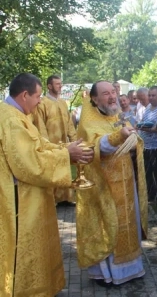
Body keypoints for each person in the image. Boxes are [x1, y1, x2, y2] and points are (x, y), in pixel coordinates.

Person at [0, 73, 91, 297]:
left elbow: (39, 144)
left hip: (29, 196)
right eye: (38, 96)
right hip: (20, 201)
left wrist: (64, 151)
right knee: (24, 252)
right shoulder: (11, 120)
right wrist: (65, 154)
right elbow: (29, 163)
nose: (40, 101)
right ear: (24, 95)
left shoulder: (16, 115)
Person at [76, 80, 148, 287]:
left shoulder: (118, 115)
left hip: (125, 181)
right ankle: (107, 274)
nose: (112, 96)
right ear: (95, 98)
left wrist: (134, 140)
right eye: (105, 93)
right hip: (103, 186)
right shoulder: (88, 121)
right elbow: (97, 147)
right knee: (108, 225)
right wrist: (119, 136)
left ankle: (132, 269)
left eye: (113, 92)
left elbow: (131, 137)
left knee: (128, 222)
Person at [32, 74, 77, 205]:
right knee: (52, 169)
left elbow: (69, 123)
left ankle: (66, 197)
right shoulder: (42, 103)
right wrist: (46, 144)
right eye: (57, 84)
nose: (60, 86)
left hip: (64, 142)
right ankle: (53, 198)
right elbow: (40, 125)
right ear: (49, 86)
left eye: (60, 83)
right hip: (51, 143)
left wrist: (74, 139)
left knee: (64, 166)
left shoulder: (63, 102)